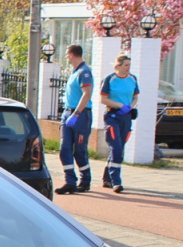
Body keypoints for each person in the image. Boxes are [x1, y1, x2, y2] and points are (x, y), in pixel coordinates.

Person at [54, 44, 94, 195]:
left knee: (79, 150)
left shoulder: (84, 72)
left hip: (81, 115)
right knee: (64, 149)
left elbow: (87, 94)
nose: (66, 57)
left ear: (72, 54)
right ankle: (70, 181)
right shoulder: (74, 72)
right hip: (67, 113)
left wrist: (76, 114)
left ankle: (85, 180)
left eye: (67, 54)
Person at [99, 50, 139, 194]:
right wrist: (120, 105)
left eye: (129, 65)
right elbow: (103, 99)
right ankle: (116, 181)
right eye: (125, 65)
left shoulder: (133, 79)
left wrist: (130, 107)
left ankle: (107, 178)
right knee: (115, 147)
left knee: (119, 147)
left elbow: (135, 97)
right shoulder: (110, 79)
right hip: (112, 116)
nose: (128, 67)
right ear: (118, 66)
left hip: (126, 116)